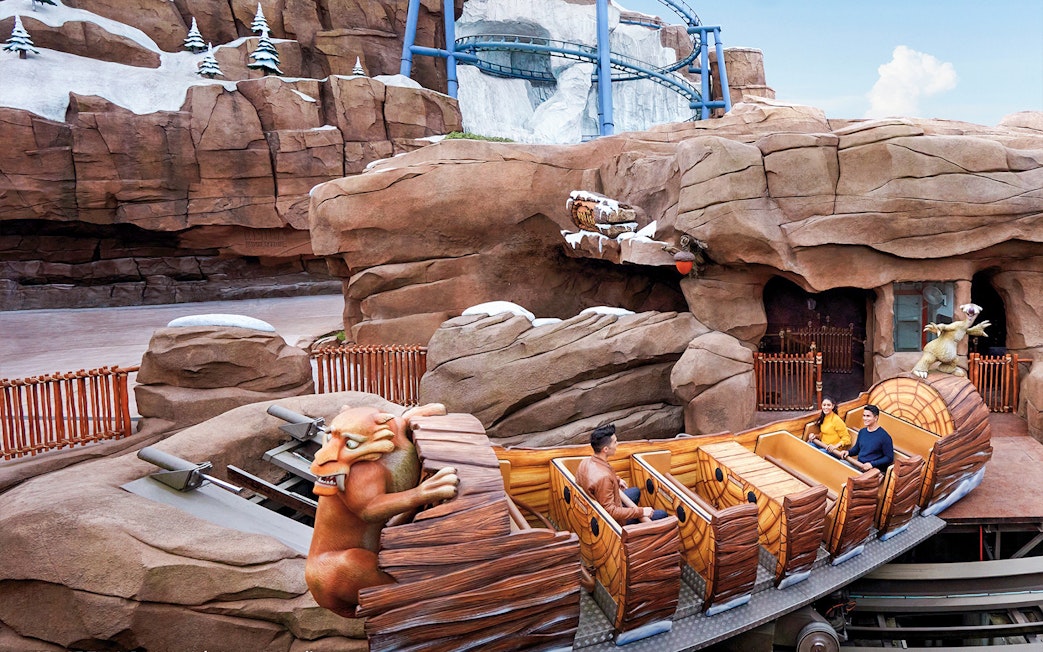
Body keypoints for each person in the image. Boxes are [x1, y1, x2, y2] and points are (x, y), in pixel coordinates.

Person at [575, 424, 666, 525]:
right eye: (615, 442)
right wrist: (641, 511)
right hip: (613, 521)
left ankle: (633, 518)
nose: (617, 444)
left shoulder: (586, 461)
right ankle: (632, 526)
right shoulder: (604, 478)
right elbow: (611, 511)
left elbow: (600, 480)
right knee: (662, 514)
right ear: (605, 449)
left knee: (635, 491)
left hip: (603, 503)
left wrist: (617, 481)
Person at [840, 404, 894, 472]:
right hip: (859, 465)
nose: (865, 418)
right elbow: (857, 449)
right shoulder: (862, 432)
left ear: (876, 418)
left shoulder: (885, 437)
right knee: (841, 463)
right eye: (864, 415)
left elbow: (889, 458)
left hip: (872, 470)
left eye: (868, 416)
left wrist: (872, 464)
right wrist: (848, 452)